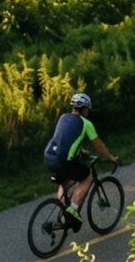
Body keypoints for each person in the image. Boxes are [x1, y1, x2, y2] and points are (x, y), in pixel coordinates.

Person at [41, 92, 116, 221]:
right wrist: (111, 158)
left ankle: (61, 211)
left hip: (49, 157)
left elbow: (65, 140)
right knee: (88, 177)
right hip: (62, 161)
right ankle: (72, 210)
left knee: (65, 180)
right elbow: (99, 146)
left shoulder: (63, 117)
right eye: (88, 109)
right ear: (84, 109)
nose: (88, 111)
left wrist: (80, 151)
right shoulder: (86, 123)